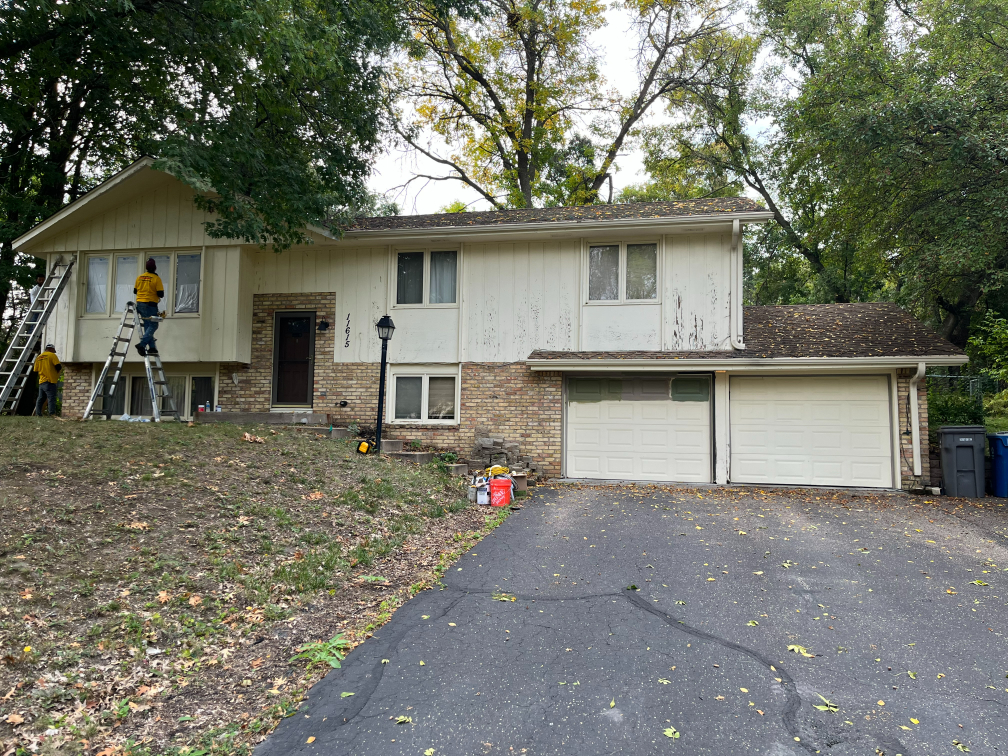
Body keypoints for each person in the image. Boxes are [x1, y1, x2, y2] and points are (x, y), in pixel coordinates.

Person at [134, 258, 164, 356]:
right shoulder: (156, 278)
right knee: (154, 325)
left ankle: (152, 348)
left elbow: (135, 291)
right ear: (155, 268)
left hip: (140, 304)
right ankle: (142, 345)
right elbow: (161, 293)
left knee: (147, 325)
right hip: (150, 304)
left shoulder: (140, 277)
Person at [33, 344, 62, 416]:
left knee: (40, 398)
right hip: (50, 381)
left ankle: (38, 413)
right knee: (51, 398)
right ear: (51, 349)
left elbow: (36, 369)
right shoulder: (52, 355)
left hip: (42, 381)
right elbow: (58, 366)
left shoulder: (39, 357)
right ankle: (52, 413)